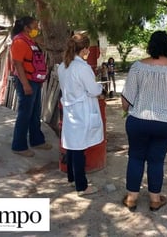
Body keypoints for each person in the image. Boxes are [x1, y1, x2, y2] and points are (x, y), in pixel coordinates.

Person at [121, 31, 167, 211]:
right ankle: (155, 200)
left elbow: (126, 98)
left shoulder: (137, 66)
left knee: (136, 157)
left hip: (138, 120)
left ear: (150, 45)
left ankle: (131, 198)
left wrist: (127, 110)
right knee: (156, 159)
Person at [58, 33, 104, 196]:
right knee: (78, 150)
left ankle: (72, 178)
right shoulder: (82, 67)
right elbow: (92, 90)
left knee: (72, 146)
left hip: (70, 110)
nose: (89, 52)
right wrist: (100, 88)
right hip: (82, 111)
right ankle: (82, 187)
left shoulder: (62, 66)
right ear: (84, 49)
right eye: (88, 49)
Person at [10, 16, 52, 157]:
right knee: (25, 114)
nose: (37, 29)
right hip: (26, 81)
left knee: (35, 112)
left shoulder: (30, 41)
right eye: (35, 26)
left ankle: (37, 140)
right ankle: (19, 145)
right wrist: (25, 84)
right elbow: (18, 64)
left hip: (34, 81)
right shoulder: (19, 42)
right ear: (26, 28)